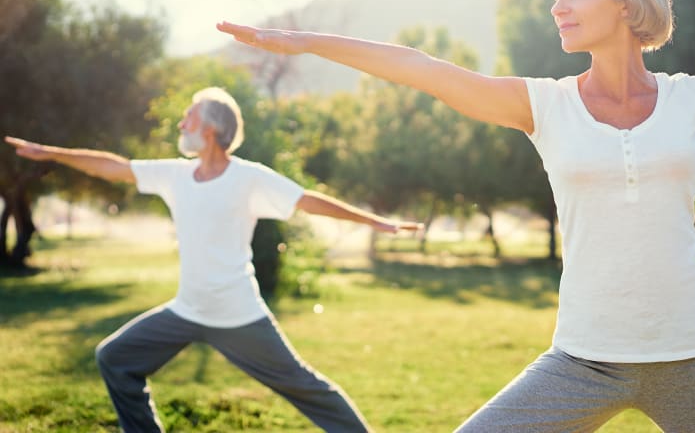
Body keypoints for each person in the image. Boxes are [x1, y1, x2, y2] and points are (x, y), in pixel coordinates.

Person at [216, 0, 695, 432]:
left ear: (624, 0)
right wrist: (304, 41)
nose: (557, 6)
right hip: (585, 357)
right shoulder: (545, 106)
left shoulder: (691, 99)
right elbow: (422, 69)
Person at [5, 86, 422, 433]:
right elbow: (114, 167)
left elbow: (307, 200)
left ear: (209, 130)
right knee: (114, 358)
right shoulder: (176, 174)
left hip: (238, 315)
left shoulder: (248, 178)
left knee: (306, 388)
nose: (181, 123)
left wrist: (377, 222)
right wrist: (52, 153)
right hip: (187, 309)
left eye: (188, 117)